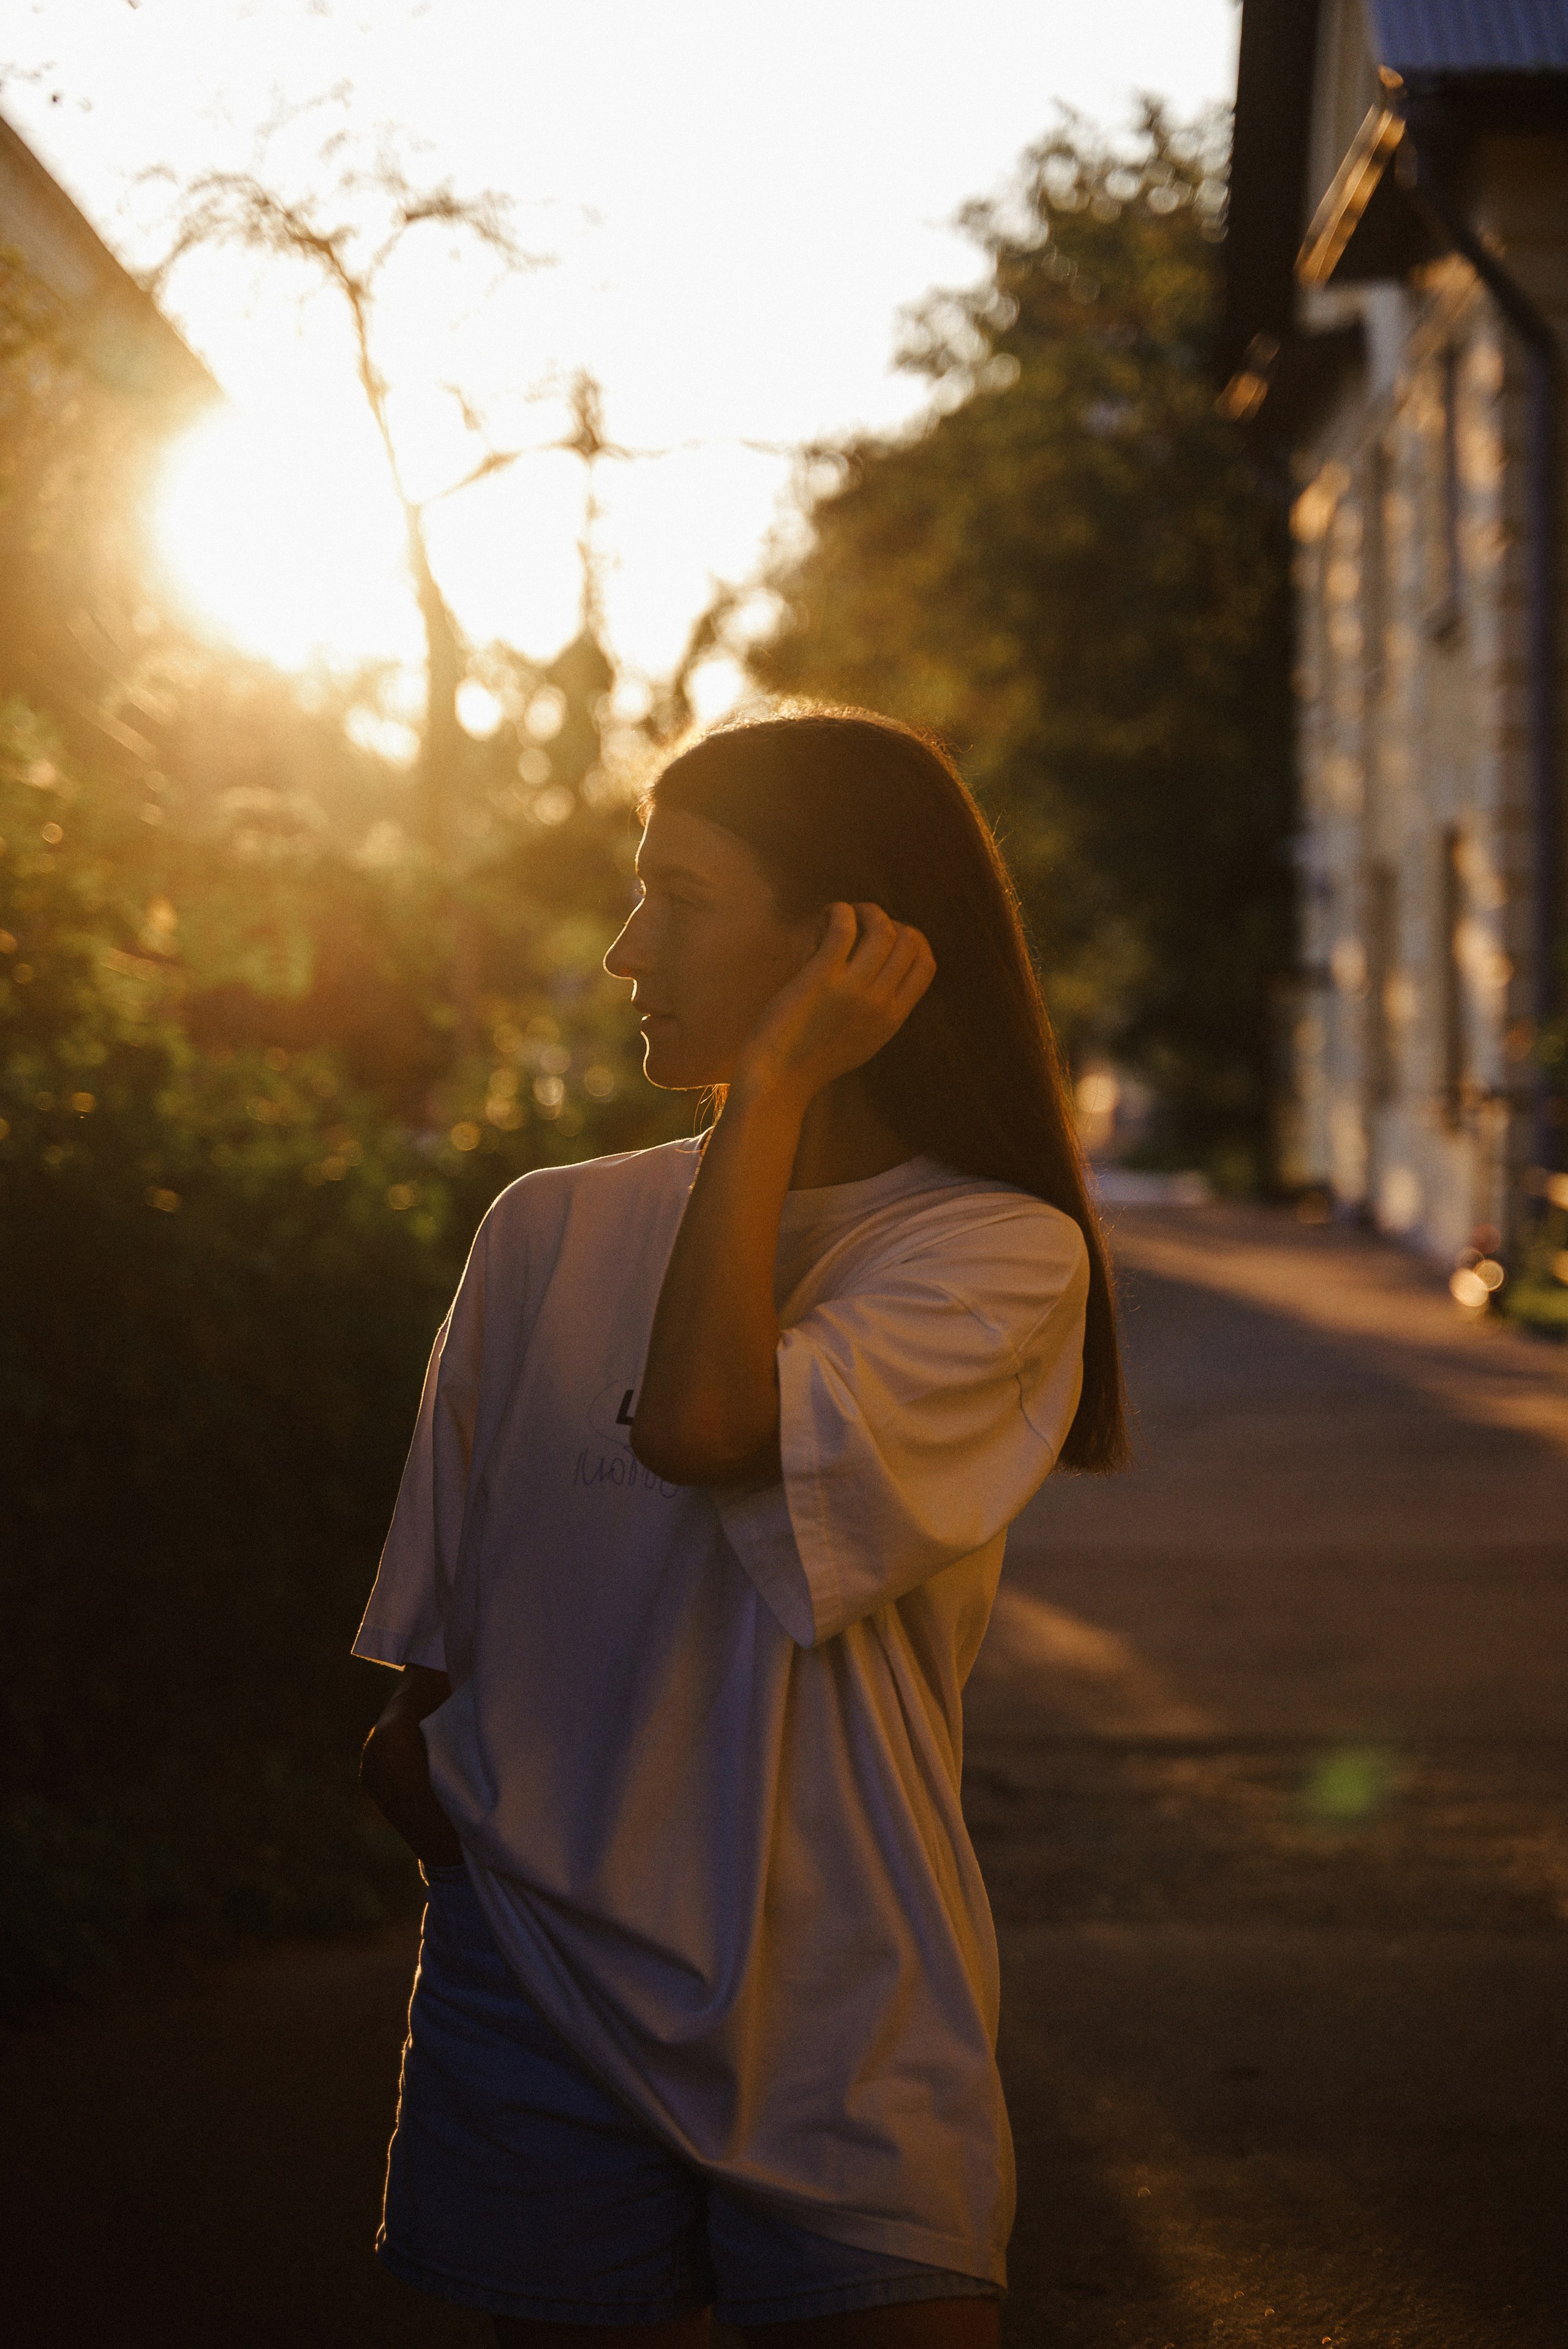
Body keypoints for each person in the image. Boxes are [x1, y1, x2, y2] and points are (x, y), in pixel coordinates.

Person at [356, 707, 1126, 2347]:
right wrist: (519, 1884)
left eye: (682, 895)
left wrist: (774, 1084)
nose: (630, 945)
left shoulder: (999, 1256)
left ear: (853, 935)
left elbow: (706, 1426)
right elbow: (417, 1704)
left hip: (845, 2018)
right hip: (532, 2014)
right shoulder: (544, 1232)